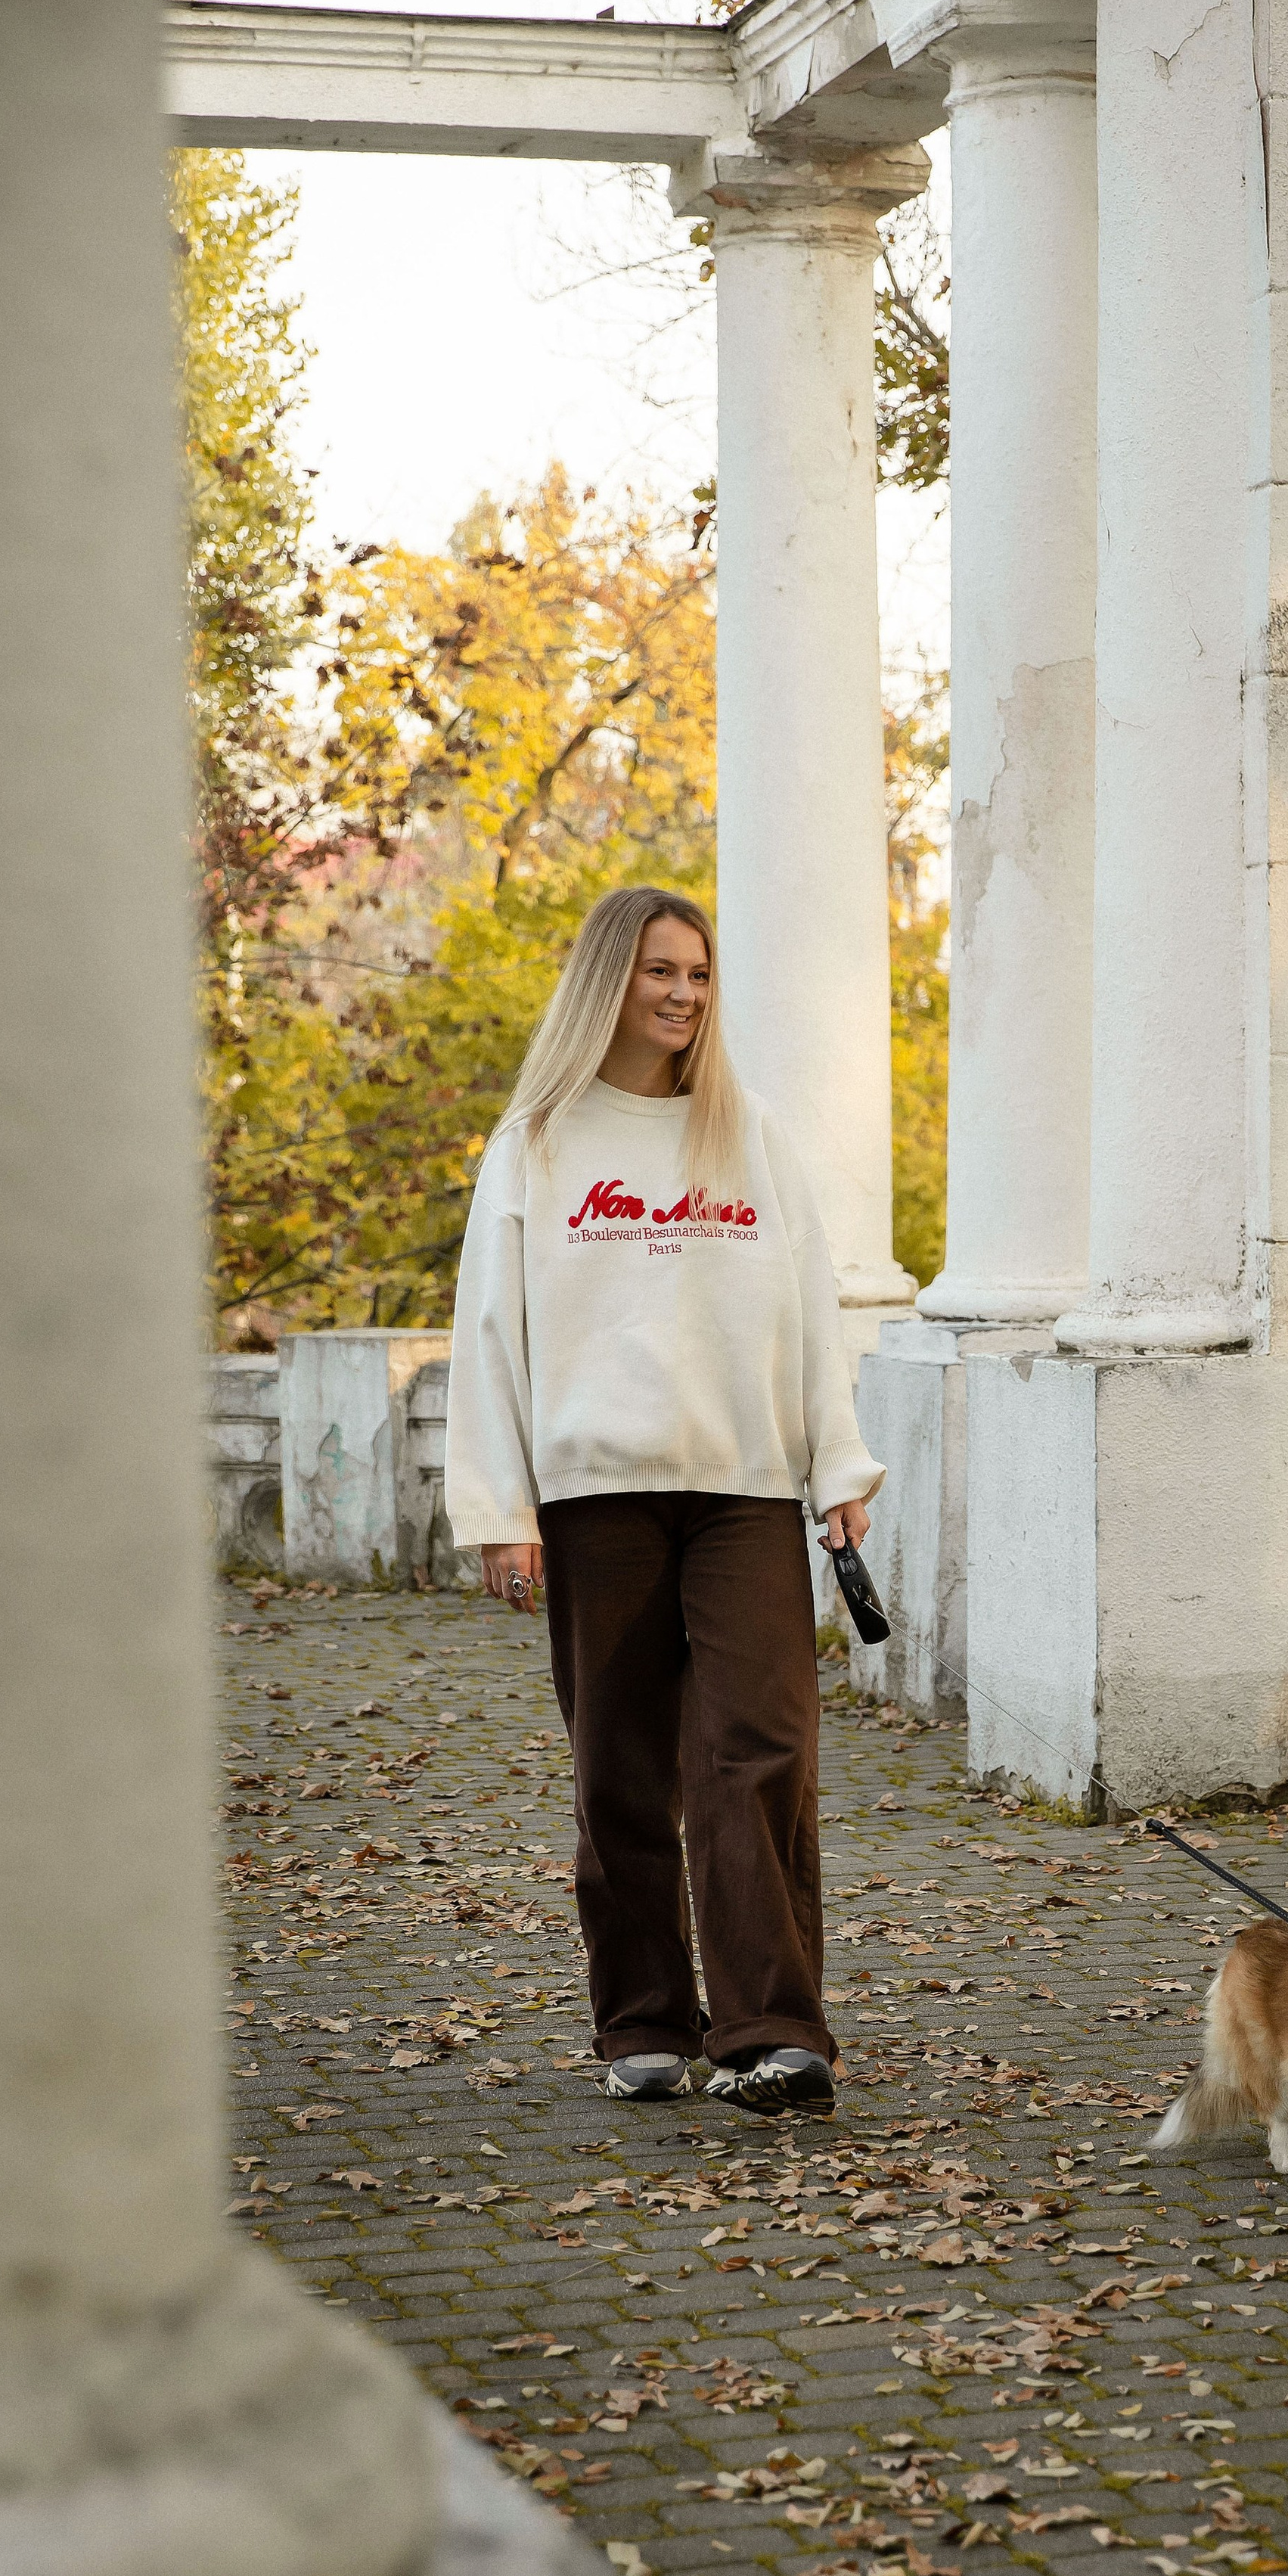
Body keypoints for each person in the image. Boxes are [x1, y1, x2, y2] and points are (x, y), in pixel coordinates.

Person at [444, 885, 883, 2118]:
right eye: (659, 972)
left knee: (763, 1748)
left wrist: (837, 1468)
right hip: (596, 1496)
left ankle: (773, 2030)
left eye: (699, 973)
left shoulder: (752, 1138)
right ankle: (643, 2020)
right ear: (608, 984)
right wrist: (499, 1508)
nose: (684, 993)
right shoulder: (537, 1143)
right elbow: (490, 1331)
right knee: (623, 1768)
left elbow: (810, 1310)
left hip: (744, 1488)